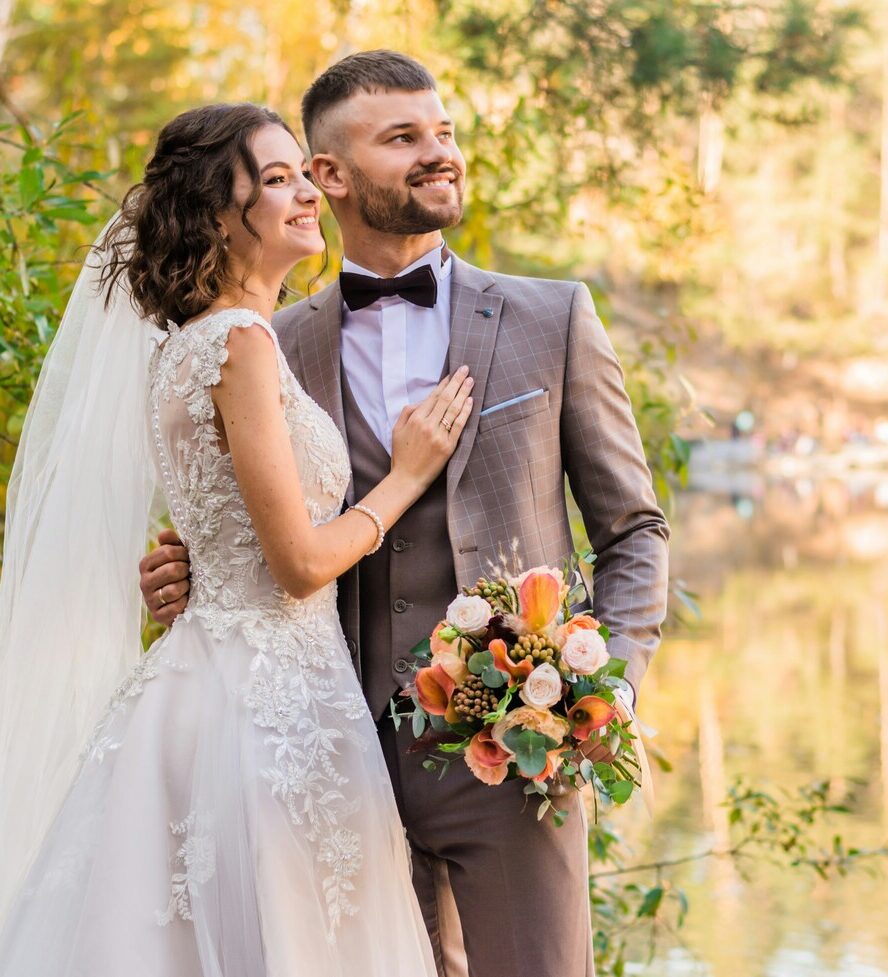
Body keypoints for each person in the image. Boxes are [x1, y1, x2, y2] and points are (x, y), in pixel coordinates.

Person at [142, 50, 671, 977]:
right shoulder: (269, 335)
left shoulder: (554, 319)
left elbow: (634, 531)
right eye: (404, 138)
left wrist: (605, 689)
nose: (439, 154)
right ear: (329, 176)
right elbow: (256, 515)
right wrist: (187, 567)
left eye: (444, 133)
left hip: (511, 756)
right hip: (323, 755)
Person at [0, 101, 476, 975]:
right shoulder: (244, 343)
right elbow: (295, 566)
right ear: (223, 216)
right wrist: (406, 477)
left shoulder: (180, 349)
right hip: (270, 705)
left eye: (305, 173)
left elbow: (216, 535)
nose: (307, 194)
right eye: (278, 179)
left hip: (203, 684)